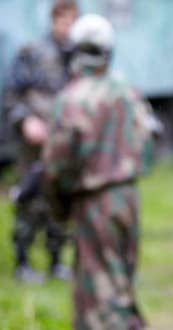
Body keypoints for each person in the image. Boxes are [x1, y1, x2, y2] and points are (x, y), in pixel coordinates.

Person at [41, 13, 158, 329]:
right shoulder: (126, 91)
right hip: (127, 197)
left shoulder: (70, 98)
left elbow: (55, 166)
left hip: (93, 202)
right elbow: (148, 141)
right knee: (121, 283)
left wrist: (60, 207)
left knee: (98, 298)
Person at [1, 0, 78, 283]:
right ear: (53, 20)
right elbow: (11, 95)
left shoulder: (78, 57)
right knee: (30, 198)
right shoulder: (32, 52)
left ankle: (56, 261)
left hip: (64, 145)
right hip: (34, 144)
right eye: (62, 21)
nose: (66, 27)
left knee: (60, 199)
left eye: (72, 21)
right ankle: (22, 260)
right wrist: (25, 121)